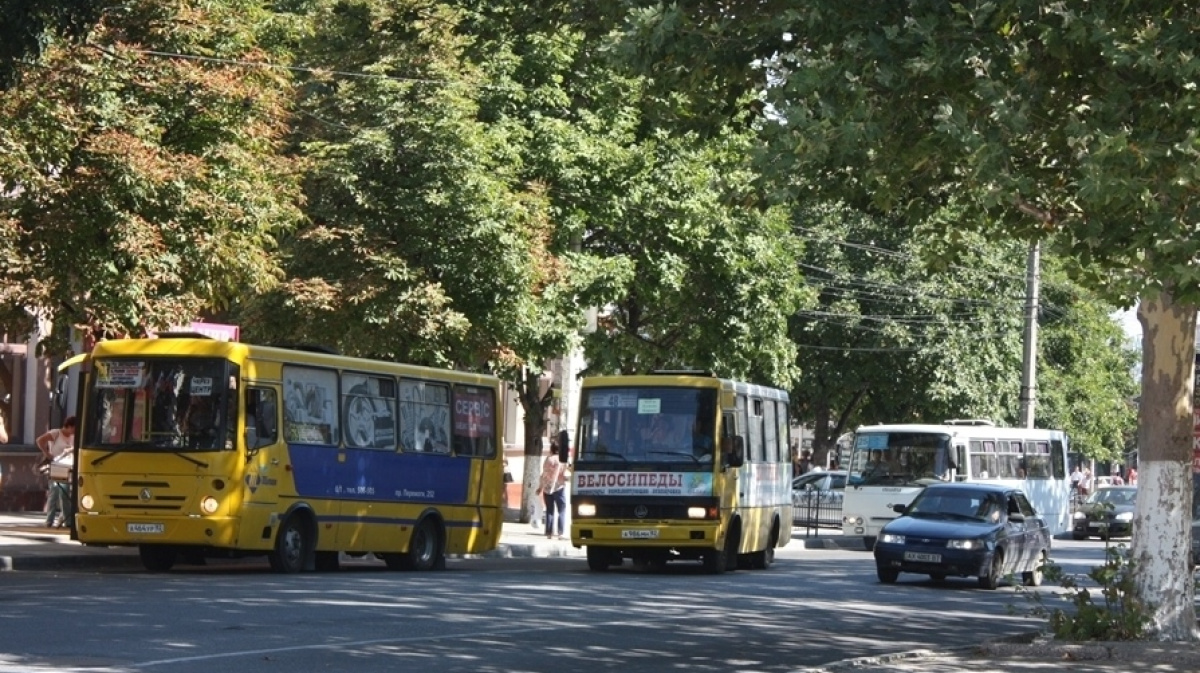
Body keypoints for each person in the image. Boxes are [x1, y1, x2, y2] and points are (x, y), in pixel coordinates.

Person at [36, 416, 76, 528]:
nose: (74, 432)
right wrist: (47, 453)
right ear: (69, 426)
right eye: (74, 428)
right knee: (54, 491)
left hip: (68, 466)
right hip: (56, 466)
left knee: (65, 493)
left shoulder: (73, 437)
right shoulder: (56, 433)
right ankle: (49, 520)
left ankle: (66, 520)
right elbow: (39, 440)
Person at [536, 441, 569, 540]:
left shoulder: (548, 459)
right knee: (561, 510)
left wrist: (540, 487)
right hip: (559, 488)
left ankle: (549, 533)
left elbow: (544, 474)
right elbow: (566, 474)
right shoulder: (563, 460)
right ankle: (560, 533)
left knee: (549, 511)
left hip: (547, 488)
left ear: (551, 448)